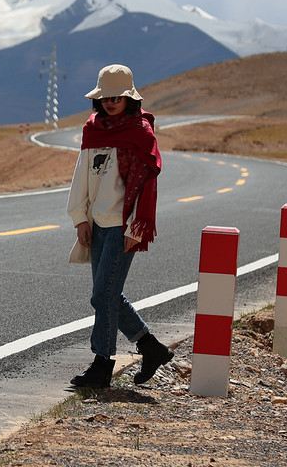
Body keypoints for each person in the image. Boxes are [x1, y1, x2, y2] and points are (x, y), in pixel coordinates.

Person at [67, 64, 173, 388]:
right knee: (109, 294)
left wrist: (136, 230)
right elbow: (81, 175)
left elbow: (146, 187)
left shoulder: (140, 133)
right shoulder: (93, 130)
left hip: (122, 227)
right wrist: (80, 219)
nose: (111, 102)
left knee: (103, 295)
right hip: (97, 225)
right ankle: (150, 348)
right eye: (105, 97)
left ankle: (102, 364)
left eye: (117, 96)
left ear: (130, 98)